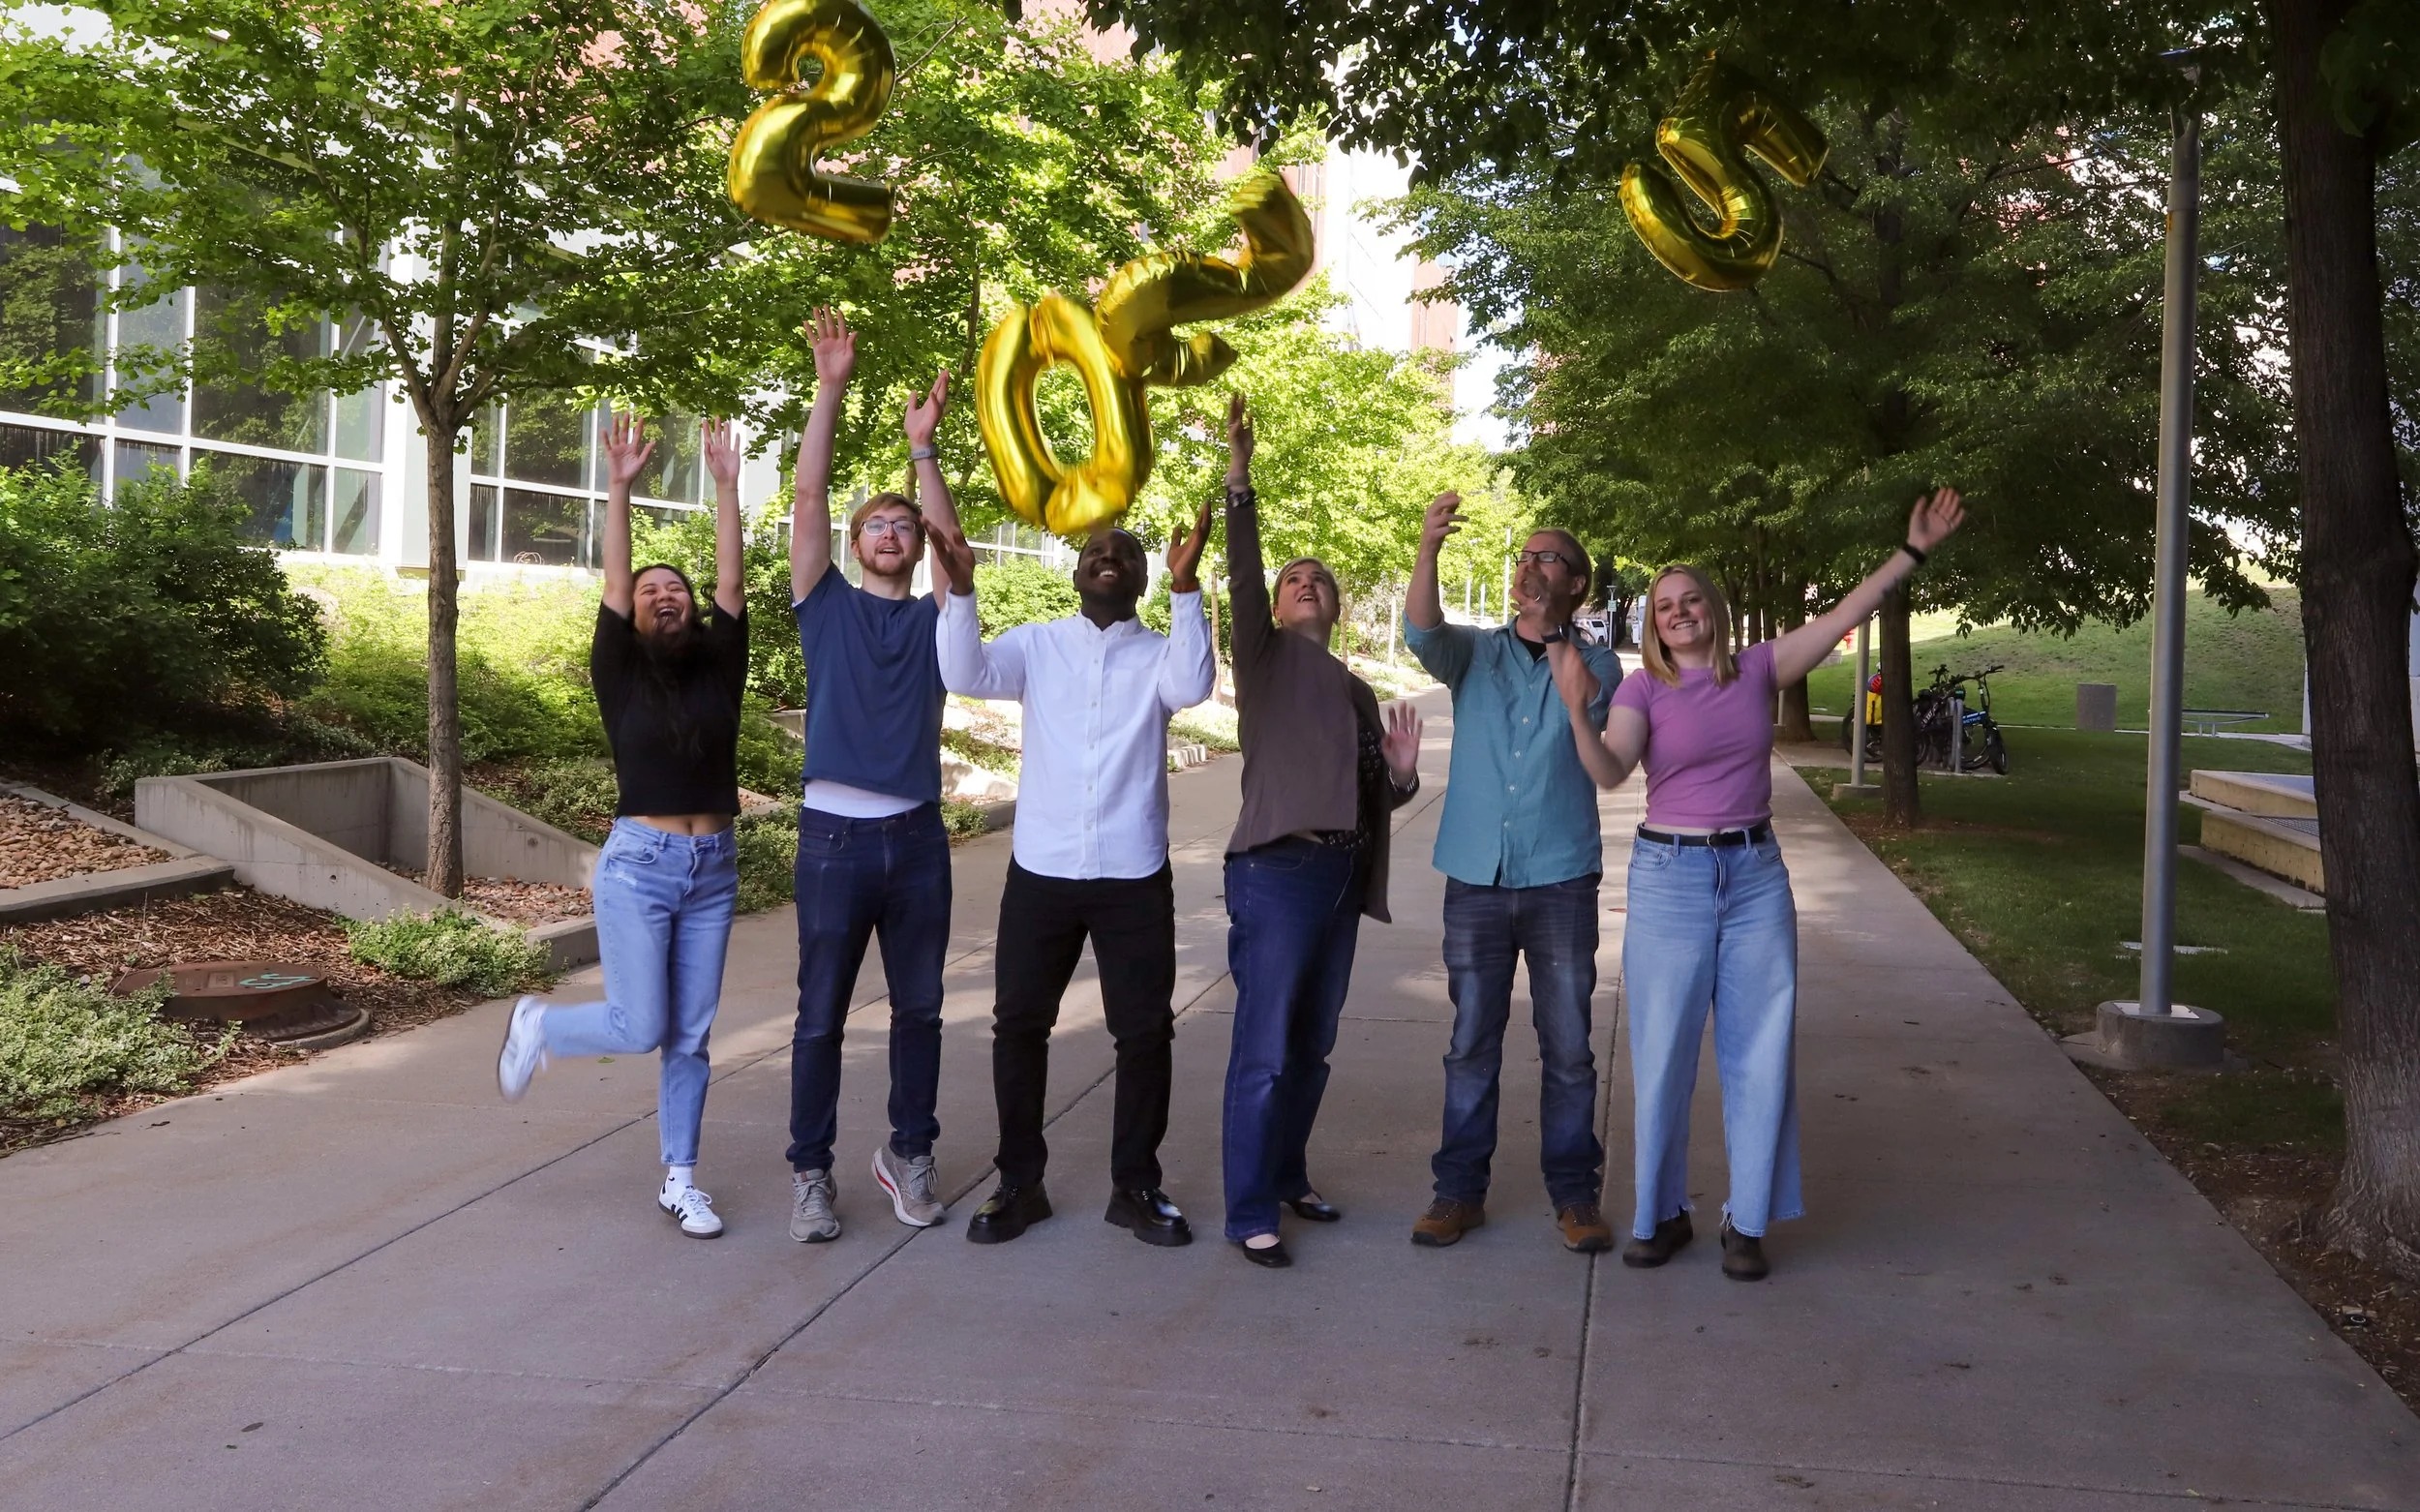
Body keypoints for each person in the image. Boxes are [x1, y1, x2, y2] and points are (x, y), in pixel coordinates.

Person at [1556, 489, 1966, 1281]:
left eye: (1690, 600)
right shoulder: (1643, 689)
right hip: (1670, 878)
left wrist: (1912, 550)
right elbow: (1609, 771)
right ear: (1653, 625)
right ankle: (1660, 1215)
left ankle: (1746, 1222)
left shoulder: (1760, 669)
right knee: (1663, 1054)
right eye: (1664, 606)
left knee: (1760, 1052)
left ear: (1714, 609)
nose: (1678, 612)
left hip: (1753, 878)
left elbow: (1847, 613)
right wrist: (1579, 713)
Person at [925, 499, 1216, 1247]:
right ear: (1077, 574)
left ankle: (1136, 1186)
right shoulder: (1037, 645)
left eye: (1125, 553)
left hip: (1132, 872)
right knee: (1020, 1026)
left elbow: (1192, 687)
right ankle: (1020, 1184)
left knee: (1144, 1032)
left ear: (1144, 579)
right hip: (1042, 871)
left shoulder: (1160, 655)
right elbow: (963, 670)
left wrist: (1188, 589)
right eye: (1094, 553)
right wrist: (962, 592)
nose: (1107, 557)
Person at [497, 412, 749, 1239]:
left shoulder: (720, 664)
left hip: (714, 869)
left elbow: (732, 583)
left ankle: (681, 1179)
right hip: (641, 865)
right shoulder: (618, 670)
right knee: (641, 1028)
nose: (665, 595)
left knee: (691, 1037)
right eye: (650, 591)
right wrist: (618, 488)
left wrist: (725, 487)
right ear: (632, 613)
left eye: (675, 588)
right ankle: (542, 1025)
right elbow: (613, 579)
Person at [1217, 395, 1424, 1268]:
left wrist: (1402, 773)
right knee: (1265, 1047)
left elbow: (1376, 797)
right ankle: (1248, 1209)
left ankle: (1288, 1173)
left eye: (1320, 579)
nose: (1306, 583)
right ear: (1274, 604)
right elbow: (1242, 567)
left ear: (1338, 604)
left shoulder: (1355, 690)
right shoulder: (1263, 657)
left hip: (1340, 879)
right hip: (1277, 873)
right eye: (1293, 579)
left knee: (1312, 1046)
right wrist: (1239, 478)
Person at [781, 307, 971, 1245]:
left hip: (916, 839)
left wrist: (922, 450)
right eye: (876, 525)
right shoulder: (823, 605)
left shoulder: (938, 620)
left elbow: (955, 551)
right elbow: (809, 496)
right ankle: (810, 1173)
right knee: (819, 1016)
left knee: (920, 1011)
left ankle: (909, 1154)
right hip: (832, 840)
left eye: (902, 524)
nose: (891, 532)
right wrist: (829, 389)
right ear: (855, 545)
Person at [1402, 493, 1624, 1254]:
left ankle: (1575, 1195)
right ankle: (1458, 1192)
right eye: (1524, 556)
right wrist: (1428, 547)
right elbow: (1421, 630)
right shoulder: (1476, 653)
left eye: (1546, 558)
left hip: (1561, 877)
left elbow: (1586, 703)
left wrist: (1555, 630)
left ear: (1576, 584)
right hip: (1476, 877)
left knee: (1569, 1048)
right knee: (1471, 1042)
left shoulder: (1597, 662)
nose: (1529, 566)